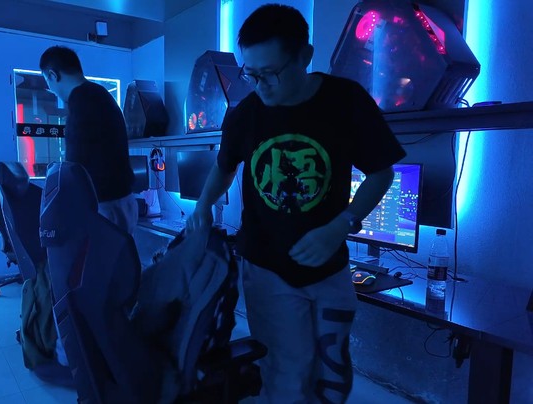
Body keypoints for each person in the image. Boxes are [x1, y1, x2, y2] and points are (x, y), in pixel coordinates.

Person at [186, 4, 406, 403]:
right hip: (266, 266)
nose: (260, 86)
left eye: (270, 73)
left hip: (330, 267)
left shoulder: (345, 101)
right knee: (285, 375)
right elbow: (224, 167)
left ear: (305, 56)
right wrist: (202, 207)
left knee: (332, 376)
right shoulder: (244, 115)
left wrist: (342, 224)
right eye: (251, 74)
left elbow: (381, 173)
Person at [39, 45, 138, 235]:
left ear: (53, 75)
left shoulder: (81, 102)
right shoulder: (100, 94)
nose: (51, 89)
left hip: (104, 207)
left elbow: (75, 167)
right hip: (122, 200)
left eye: (47, 81)